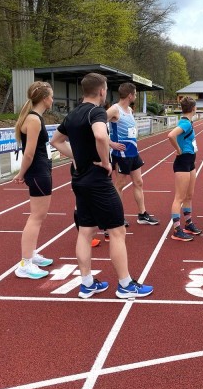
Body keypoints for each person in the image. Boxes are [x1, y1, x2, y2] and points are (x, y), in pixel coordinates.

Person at [50, 73, 153, 299]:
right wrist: (106, 162)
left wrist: (76, 156)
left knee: (86, 232)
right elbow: (99, 135)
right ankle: (125, 285)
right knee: (117, 231)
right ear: (102, 91)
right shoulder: (96, 111)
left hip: (79, 178)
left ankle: (87, 283)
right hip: (97, 178)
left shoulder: (73, 113)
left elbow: (55, 141)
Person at [12, 82, 55, 279]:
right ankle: (25, 263)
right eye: (52, 96)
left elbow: (36, 150)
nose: (53, 100)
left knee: (39, 216)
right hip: (37, 171)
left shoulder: (35, 118)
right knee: (36, 217)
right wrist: (21, 174)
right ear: (45, 99)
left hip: (42, 168)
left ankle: (31, 254)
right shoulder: (34, 120)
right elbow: (28, 154)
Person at [109, 82, 159, 225]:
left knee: (139, 182)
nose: (136, 96)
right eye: (135, 94)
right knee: (119, 185)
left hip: (133, 153)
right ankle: (118, 216)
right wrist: (110, 143)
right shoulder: (114, 110)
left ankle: (142, 215)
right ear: (130, 95)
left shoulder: (130, 110)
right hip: (121, 154)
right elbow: (97, 125)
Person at [167, 96, 202, 242]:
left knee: (189, 195)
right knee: (179, 197)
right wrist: (178, 149)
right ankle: (176, 230)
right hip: (182, 161)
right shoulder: (185, 124)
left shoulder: (188, 122)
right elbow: (171, 135)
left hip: (190, 162)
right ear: (193, 109)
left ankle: (188, 224)